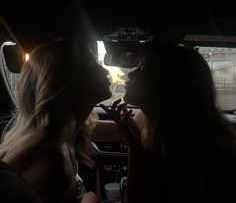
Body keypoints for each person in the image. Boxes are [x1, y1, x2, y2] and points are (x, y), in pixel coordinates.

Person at [100, 43, 236, 203]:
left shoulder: (203, 160)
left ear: (167, 83)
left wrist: (135, 147)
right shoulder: (169, 137)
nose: (130, 75)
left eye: (143, 69)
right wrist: (133, 142)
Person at [0, 36, 112, 203]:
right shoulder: (51, 165)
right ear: (65, 83)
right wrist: (90, 198)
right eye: (90, 64)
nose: (105, 71)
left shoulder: (67, 131)